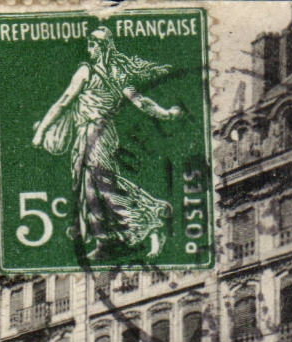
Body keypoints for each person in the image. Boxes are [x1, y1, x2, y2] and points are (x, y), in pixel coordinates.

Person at [31, 26, 181, 261]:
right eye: (89, 44)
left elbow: (64, 102)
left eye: (93, 45)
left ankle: (152, 219)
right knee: (91, 189)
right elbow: (141, 101)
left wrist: (41, 131)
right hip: (93, 134)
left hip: (96, 135)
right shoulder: (116, 74)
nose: (89, 49)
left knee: (101, 188)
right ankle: (105, 241)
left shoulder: (87, 71)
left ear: (103, 48)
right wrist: (166, 113)